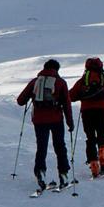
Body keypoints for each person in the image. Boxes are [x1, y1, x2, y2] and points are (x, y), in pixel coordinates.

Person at [16, 59, 74, 190]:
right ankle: (63, 174)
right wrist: (70, 123)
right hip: (56, 120)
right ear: (57, 69)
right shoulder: (60, 82)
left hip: (39, 120)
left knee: (41, 147)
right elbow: (67, 104)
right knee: (60, 146)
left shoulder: (35, 82)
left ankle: (40, 172)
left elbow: (20, 101)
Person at [69, 57, 104, 178]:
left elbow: (70, 96)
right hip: (102, 110)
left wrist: (81, 97)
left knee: (90, 137)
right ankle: (102, 155)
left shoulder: (83, 81)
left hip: (87, 111)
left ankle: (94, 165)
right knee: (102, 135)